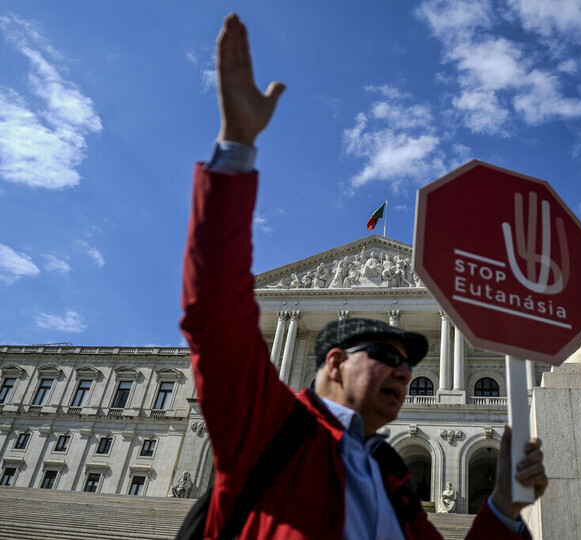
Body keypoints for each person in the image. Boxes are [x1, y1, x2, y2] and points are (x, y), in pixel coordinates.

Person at [180, 13, 548, 539]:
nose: (403, 373)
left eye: (408, 364)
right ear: (333, 361)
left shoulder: (392, 480)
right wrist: (236, 148)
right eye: (387, 357)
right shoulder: (266, 430)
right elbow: (215, 311)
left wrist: (504, 511)